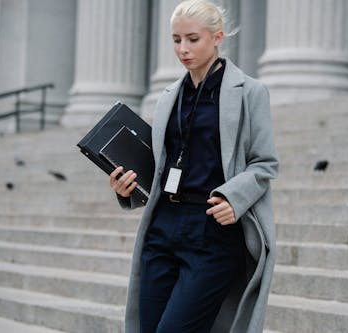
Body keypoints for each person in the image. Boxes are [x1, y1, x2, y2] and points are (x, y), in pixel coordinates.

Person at [109, 1, 279, 332]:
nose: (183, 49)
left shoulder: (251, 92)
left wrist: (235, 198)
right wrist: (127, 187)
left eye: (192, 39)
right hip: (162, 228)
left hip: (212, 231)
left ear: (217, 37)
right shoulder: (168, 96)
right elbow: (161, 166)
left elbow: (265, 163)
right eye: (176, 40)